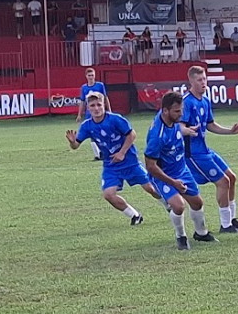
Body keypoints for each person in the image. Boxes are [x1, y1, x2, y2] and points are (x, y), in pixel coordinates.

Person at [66, 91, 167, 226]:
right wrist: (72, 142)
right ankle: (135, 215)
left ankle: (168, 204)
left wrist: (122, 152)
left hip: (130, 162)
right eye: (92, 106)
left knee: (150, 188)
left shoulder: (115, 119)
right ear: (88, 108)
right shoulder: (87, 126)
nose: (96, 108)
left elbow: (132, 135)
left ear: (104, 105)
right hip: (111, 165)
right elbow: (76, 146)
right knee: (108, 195)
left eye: (99, 105)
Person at [181, 66, 238, 234]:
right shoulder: (186, 101)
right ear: (191, 81)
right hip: (193, 154)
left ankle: (231, 220)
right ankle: (225, 225)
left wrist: (230, 131)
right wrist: (187, 130)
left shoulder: (205, 100)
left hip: (205, 150)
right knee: (223, 182)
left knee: (232, 178)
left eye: (205, 79)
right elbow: (178, 125)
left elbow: (210, 124)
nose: (204, 83)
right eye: (199, 80)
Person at [145, 91, 217, 250]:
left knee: (197, 203)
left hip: (181, 169)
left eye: (181, 109)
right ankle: (181, 237)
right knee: (178, 206)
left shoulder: (171, 118)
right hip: (163, 175)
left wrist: (189, 130)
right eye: (177, 111)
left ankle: (201, 233)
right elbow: (150, 166)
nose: (181, 114)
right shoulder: (157, 135)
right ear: (165, 111)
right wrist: (174, 183)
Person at [77, 68, 110, 161]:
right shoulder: (84, 88)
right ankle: (97, 154)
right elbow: (82, 102)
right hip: (89, 114)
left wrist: (109, 110)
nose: (91, 77)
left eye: (92, 75)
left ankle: (105, 151)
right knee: (92, 133)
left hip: (101, 113)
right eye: (89, 75)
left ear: (95, 75)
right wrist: (79, 114)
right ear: (86, 76)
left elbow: (105, 98)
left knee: (104, 131)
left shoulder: (100, 85)